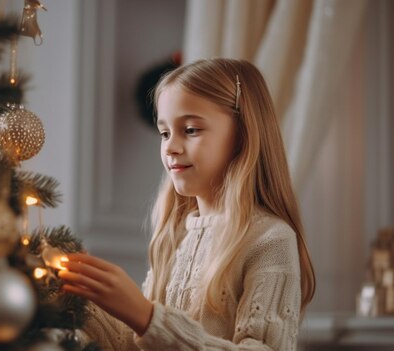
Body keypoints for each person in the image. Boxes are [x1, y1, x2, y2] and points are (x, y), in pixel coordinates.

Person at [58, 58, 316, 350]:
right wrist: (82, 300)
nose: (170, 146)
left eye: (191, 130)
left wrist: (144, 315)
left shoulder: (271, 240)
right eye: (165, 132)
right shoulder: (175, 235)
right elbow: (135, 345)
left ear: (244, 135)